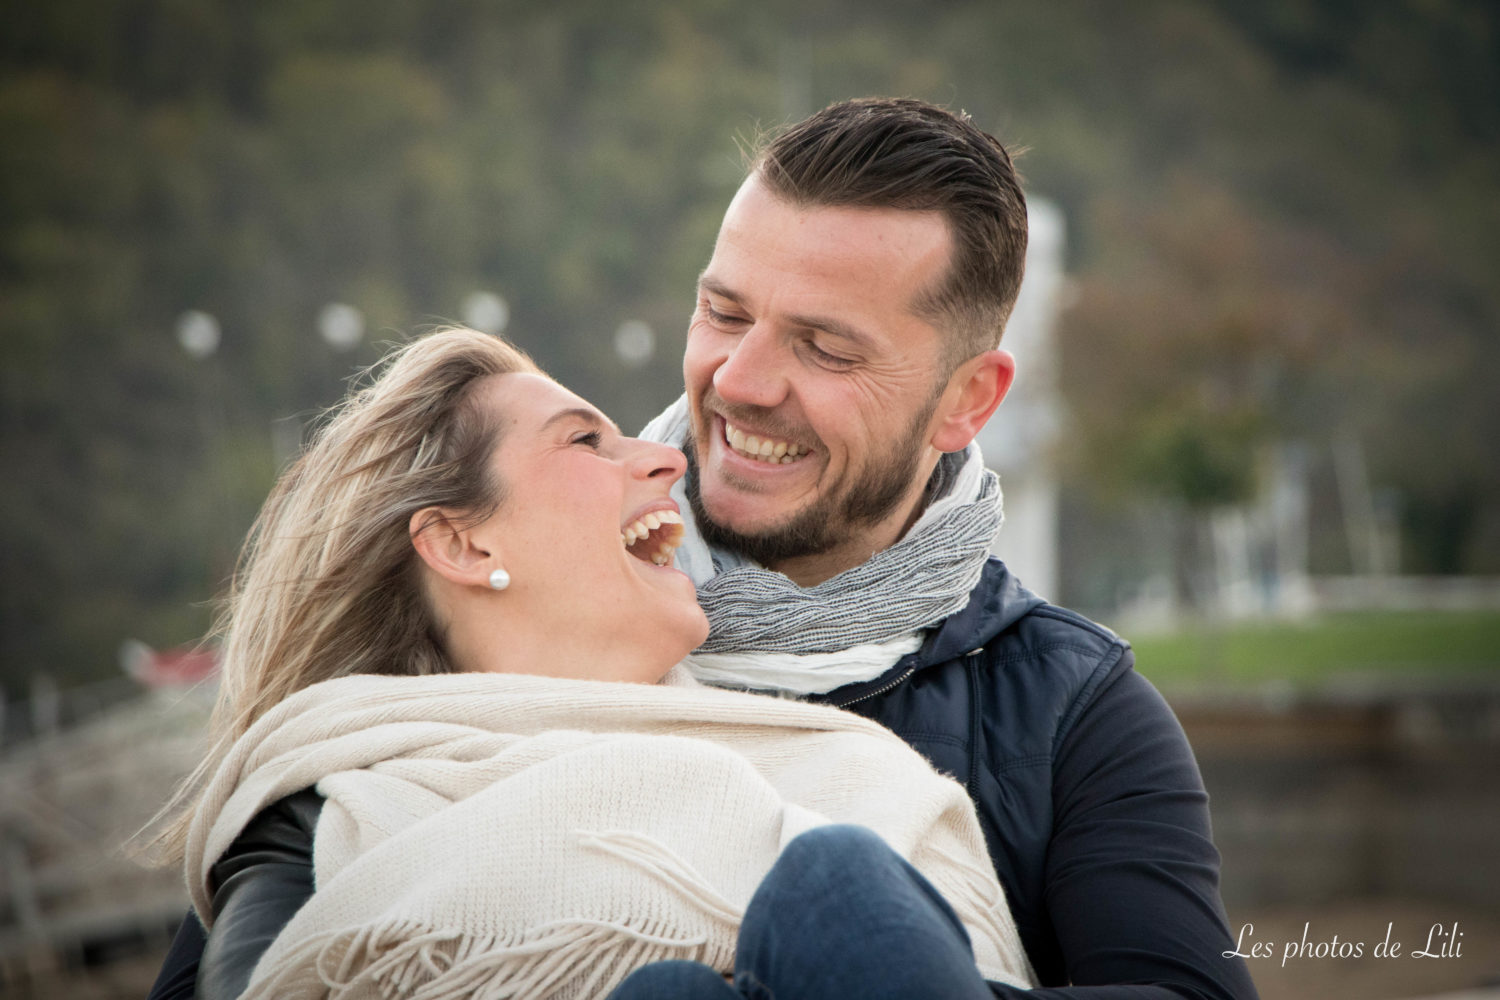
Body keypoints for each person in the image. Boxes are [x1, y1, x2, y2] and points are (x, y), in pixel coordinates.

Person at [151, 97, 1259, 999]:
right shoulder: (418, 714)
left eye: (824, 346)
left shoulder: (1066, 709)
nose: (740, 382)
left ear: (966, 399)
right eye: (725, 313)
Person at [149, 327, 1035, 1000]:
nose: (664, 458)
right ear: (460, 541)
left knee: (830, 886)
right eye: (585, 442)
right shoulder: (314, 819)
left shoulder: (839, 764)